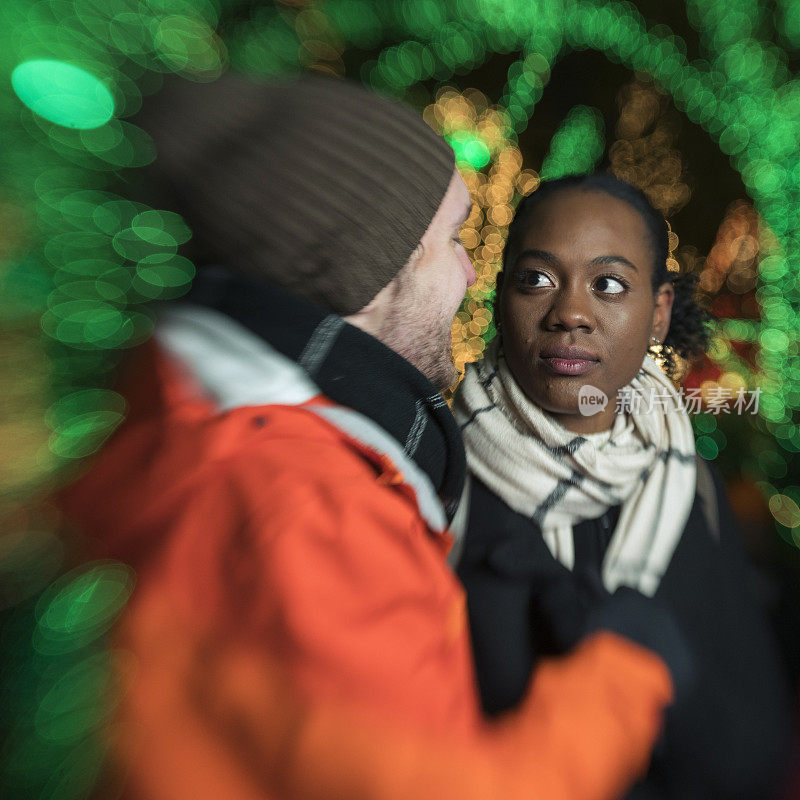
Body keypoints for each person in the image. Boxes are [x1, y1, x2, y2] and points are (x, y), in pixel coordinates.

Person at [61, 76, 691, 800]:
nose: (471, 272)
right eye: (452, 239)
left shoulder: (189, 413)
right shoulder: (307, 512)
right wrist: (622, 673)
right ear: (371, 272)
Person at [453, 173, 793, 799]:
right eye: (537, 279)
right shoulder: (448, 490)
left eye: (608, 285)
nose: (570, 314)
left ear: (658, 313)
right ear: (500, 296)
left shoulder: (683, 474)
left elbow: (745, 703)